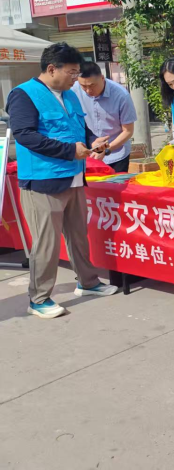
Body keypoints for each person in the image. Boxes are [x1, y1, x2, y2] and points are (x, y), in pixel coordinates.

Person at [7, 43, 118, 319]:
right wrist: (69, 151)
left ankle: (88, 282)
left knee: (79, 235)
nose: (76, 78)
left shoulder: (70, 95)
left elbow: (82, 129)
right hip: (43, 181)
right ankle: (39, 298)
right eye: (71, 72)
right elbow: (25, 135)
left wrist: (95, 142)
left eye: (77, 72)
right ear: (51, 69)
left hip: (75, 177)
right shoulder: (23, 94)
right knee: (46, 243)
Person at [71, 61, 138, 174]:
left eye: (92, 85)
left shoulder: (121, 95)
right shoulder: (73, 90)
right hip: (89, 154)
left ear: (102, 78)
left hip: (116, 154)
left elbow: (128, 131)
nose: (88, 90)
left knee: (115, 184)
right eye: (84, 86)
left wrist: (106, 150)